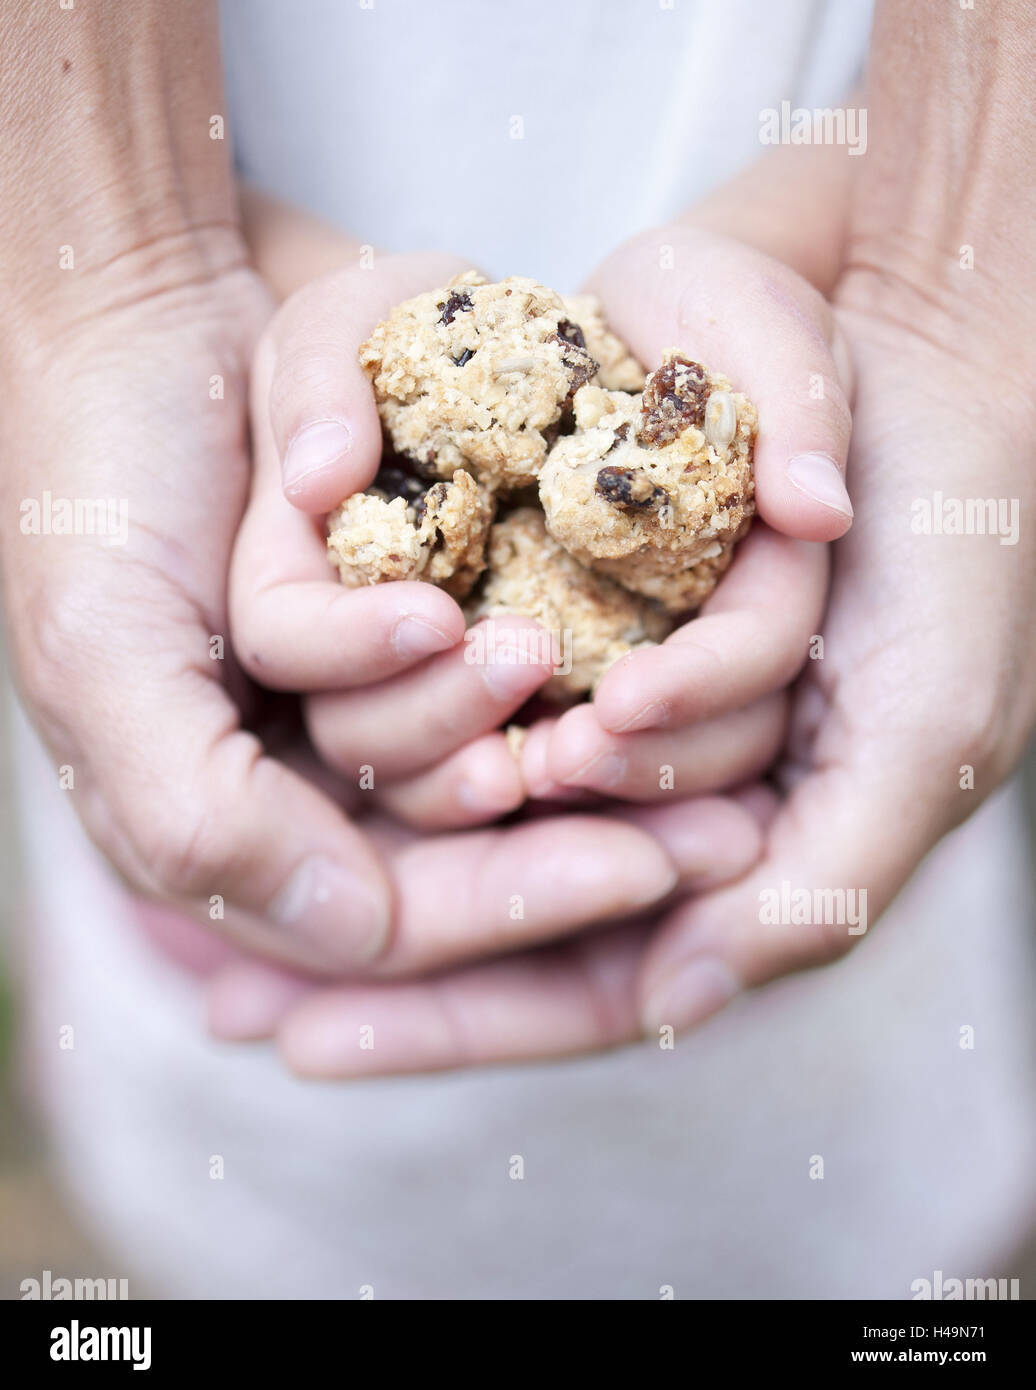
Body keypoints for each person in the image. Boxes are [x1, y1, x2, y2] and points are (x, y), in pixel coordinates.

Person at [2, 0, 1033, 1297]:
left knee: (875, 1232)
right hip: (256, 983)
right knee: (224, 1215)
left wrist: (954, 276)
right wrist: (114, 268)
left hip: (835, 982)